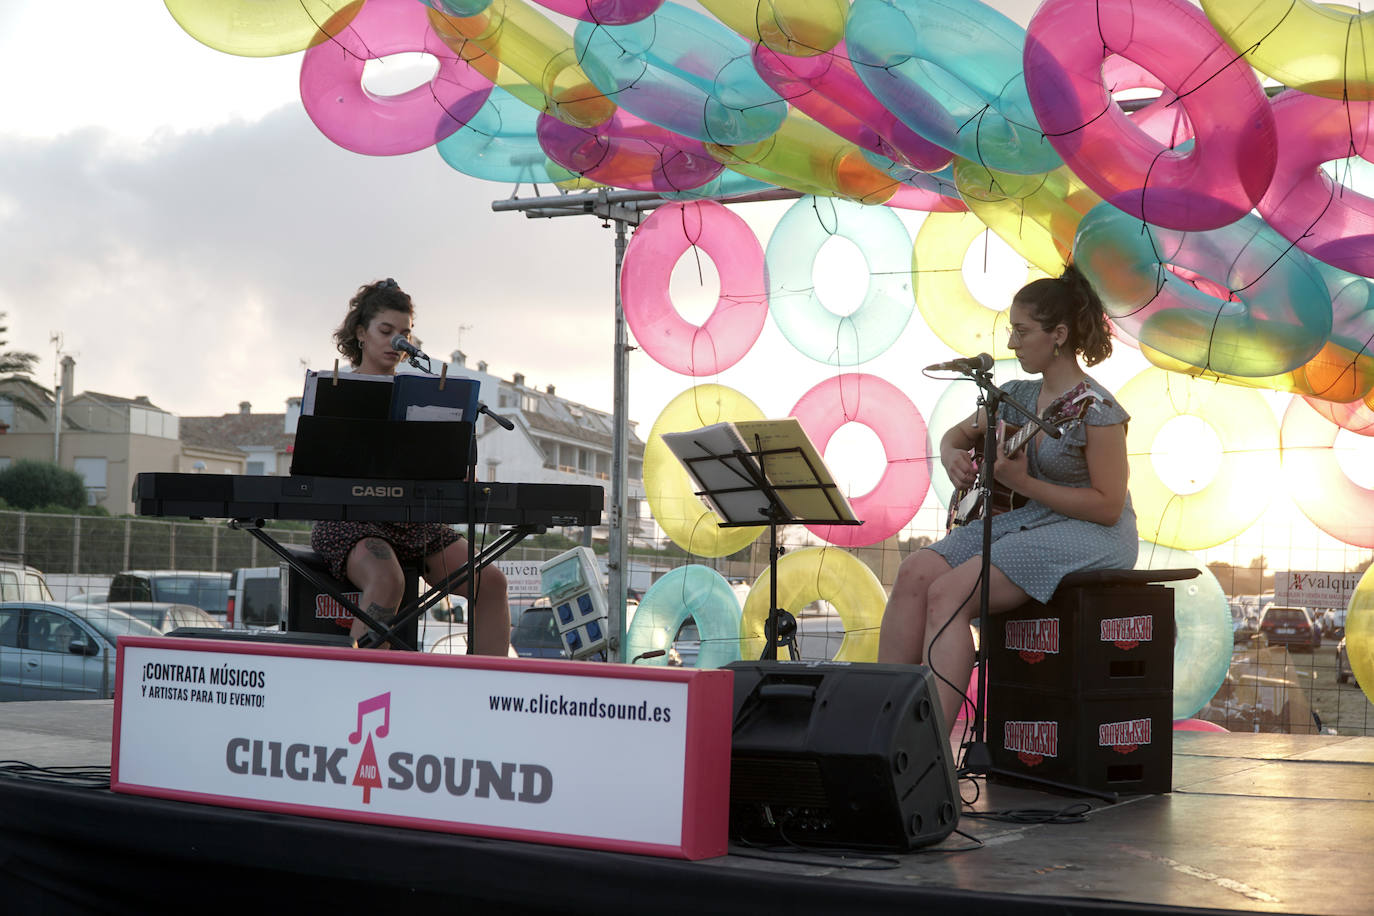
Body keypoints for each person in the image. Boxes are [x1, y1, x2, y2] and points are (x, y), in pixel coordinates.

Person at [877, 263, 1137, 730]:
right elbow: (955, 437)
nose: (1012, 343)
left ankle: (925, 745)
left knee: (949, 594)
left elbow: (1108, 505)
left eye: (1021, 331)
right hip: (1026, 520)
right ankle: (883, 726)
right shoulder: (1013, 395)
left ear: (1058, 334)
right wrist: (952, 454)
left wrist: (1025, 484)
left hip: (1092, 532)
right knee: (915, 572)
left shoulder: (1098, 410)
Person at [309, 278, 511, 655]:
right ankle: (357, 687)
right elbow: (317, 464)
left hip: (411, 519)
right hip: (349, 518)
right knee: (387, 581)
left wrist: (455, 466)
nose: (396, 341)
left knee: (491, 583)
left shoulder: (422, 395)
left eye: (404, 333)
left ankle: (487, 692)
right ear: (360, 333)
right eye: (386, 331)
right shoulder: (336, 389)